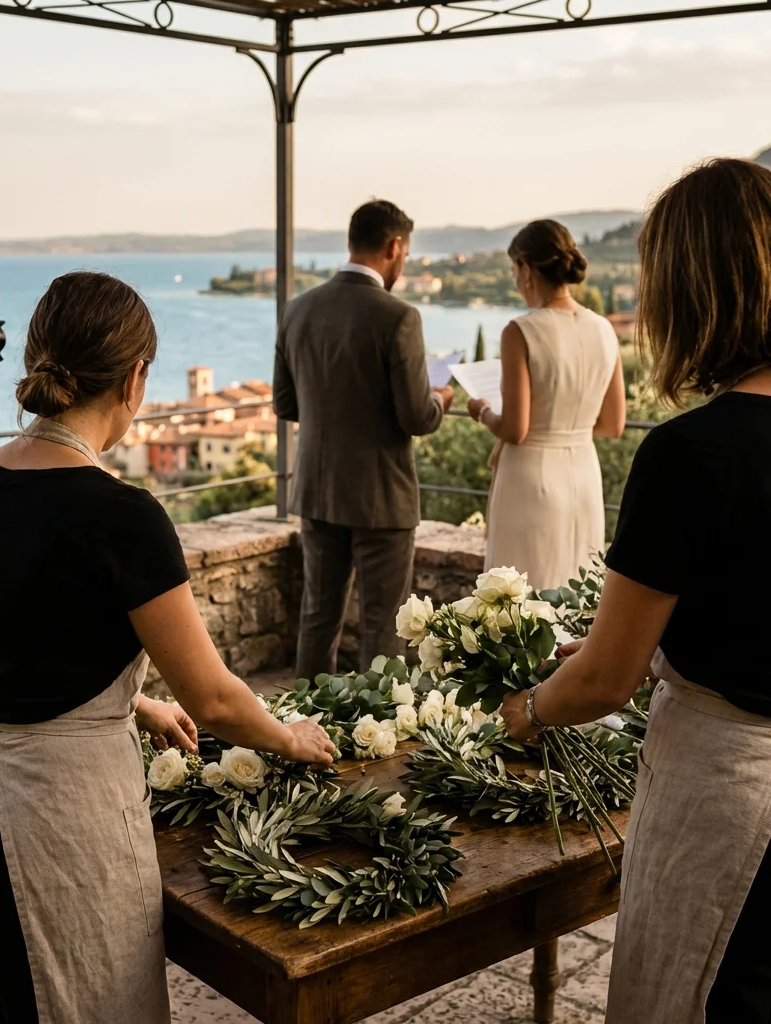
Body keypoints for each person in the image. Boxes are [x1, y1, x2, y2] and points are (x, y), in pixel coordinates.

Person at [0, 270, 335, 1023]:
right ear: (136, 378)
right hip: (54, 817)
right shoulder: (122, 516)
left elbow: (14, 642)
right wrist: (289, 737)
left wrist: (134, 701)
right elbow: (212, 698)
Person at [499, 158, 771, 1024]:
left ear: (694, 289)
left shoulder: (693, 454)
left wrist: (529, 709)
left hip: (729, 795)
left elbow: (604, 682)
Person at [273, 199, 454, 679]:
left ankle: (305, 716)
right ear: (394, 246)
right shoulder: (398, 316)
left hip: (317, 489)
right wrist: (441, 399)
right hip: (381, 496)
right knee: (384, 624)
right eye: (406, 254)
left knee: (318, 616)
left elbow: (286, 405)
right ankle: (382, 720)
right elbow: (417, 416)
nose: (403, 264)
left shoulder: (297, 310)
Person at [467, 220, 625, 592]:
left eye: (513, 270)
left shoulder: (521, 331)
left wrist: (483, 412)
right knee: (575, 593)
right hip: (584, 476)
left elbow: (515, 430)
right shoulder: (604, 328)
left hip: (530, 481)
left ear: (526, 268)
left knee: (519, 599)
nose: (515, 280)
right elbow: (613, 424)